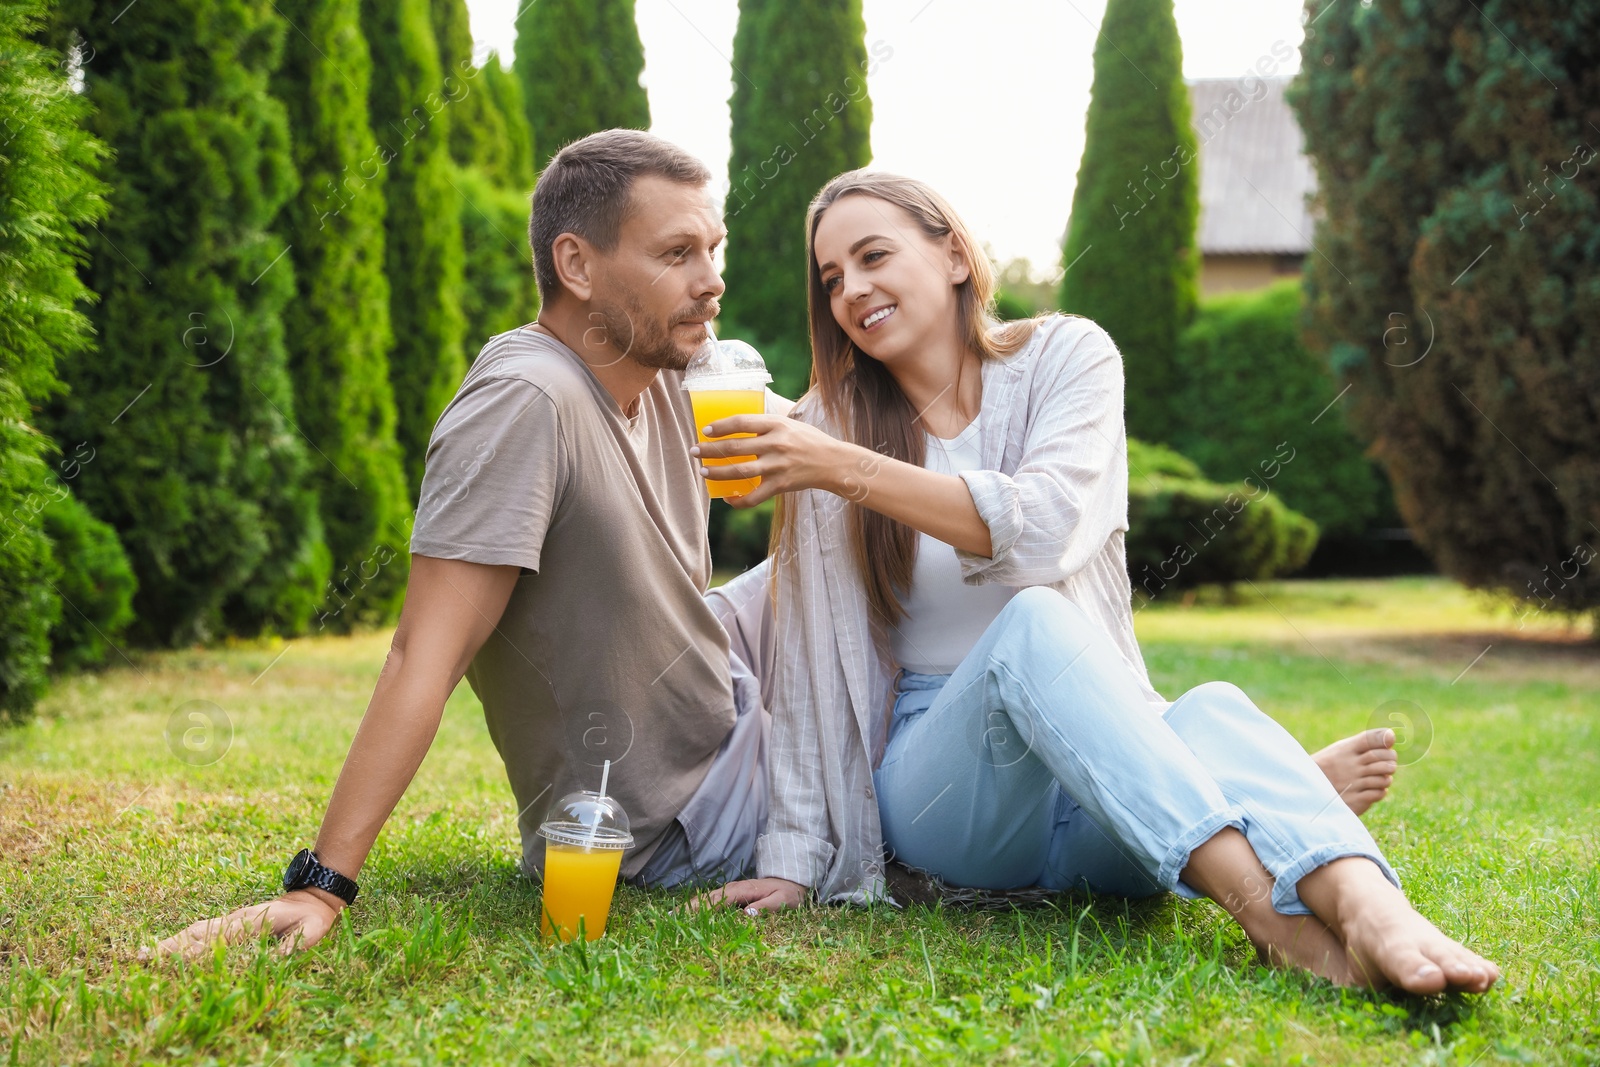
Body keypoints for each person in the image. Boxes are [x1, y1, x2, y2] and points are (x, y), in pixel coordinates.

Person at [693, 171, 1499, 994]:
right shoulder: (826, 426)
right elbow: (807, 663)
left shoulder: (1065, 356)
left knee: (1209, 705)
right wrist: (795, 859)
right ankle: (1270, 910)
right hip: (950, 788)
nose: (853, 290)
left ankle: (1371, 906)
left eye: (873, 256)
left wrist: (842, 468)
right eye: (832, 280)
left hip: (1101, 782)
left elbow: (1042, 532)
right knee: (1033, 627)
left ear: (954, 255)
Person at [149, 130, 783, 960]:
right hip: (684, 814)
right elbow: (425, 652)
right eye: (677, 253)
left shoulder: (670, 373)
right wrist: (321, 882)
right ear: (577, 265)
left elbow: (844, 450)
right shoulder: (526, 402)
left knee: (892, 550)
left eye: (713, 247)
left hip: (733, 710)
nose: (713, 281)